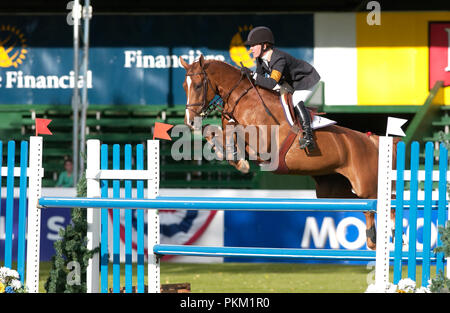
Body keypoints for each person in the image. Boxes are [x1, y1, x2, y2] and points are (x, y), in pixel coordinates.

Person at [242, 26, 321, 150]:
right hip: (289, 83)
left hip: (306, 80)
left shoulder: (279, 59)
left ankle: (308, 137)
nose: (250, 48)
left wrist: (252, 75)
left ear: (264, 45)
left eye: (253, 45)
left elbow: (272, 83)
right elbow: (260, 81)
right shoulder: (260, 60)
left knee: (295, 101)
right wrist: (249, 78)